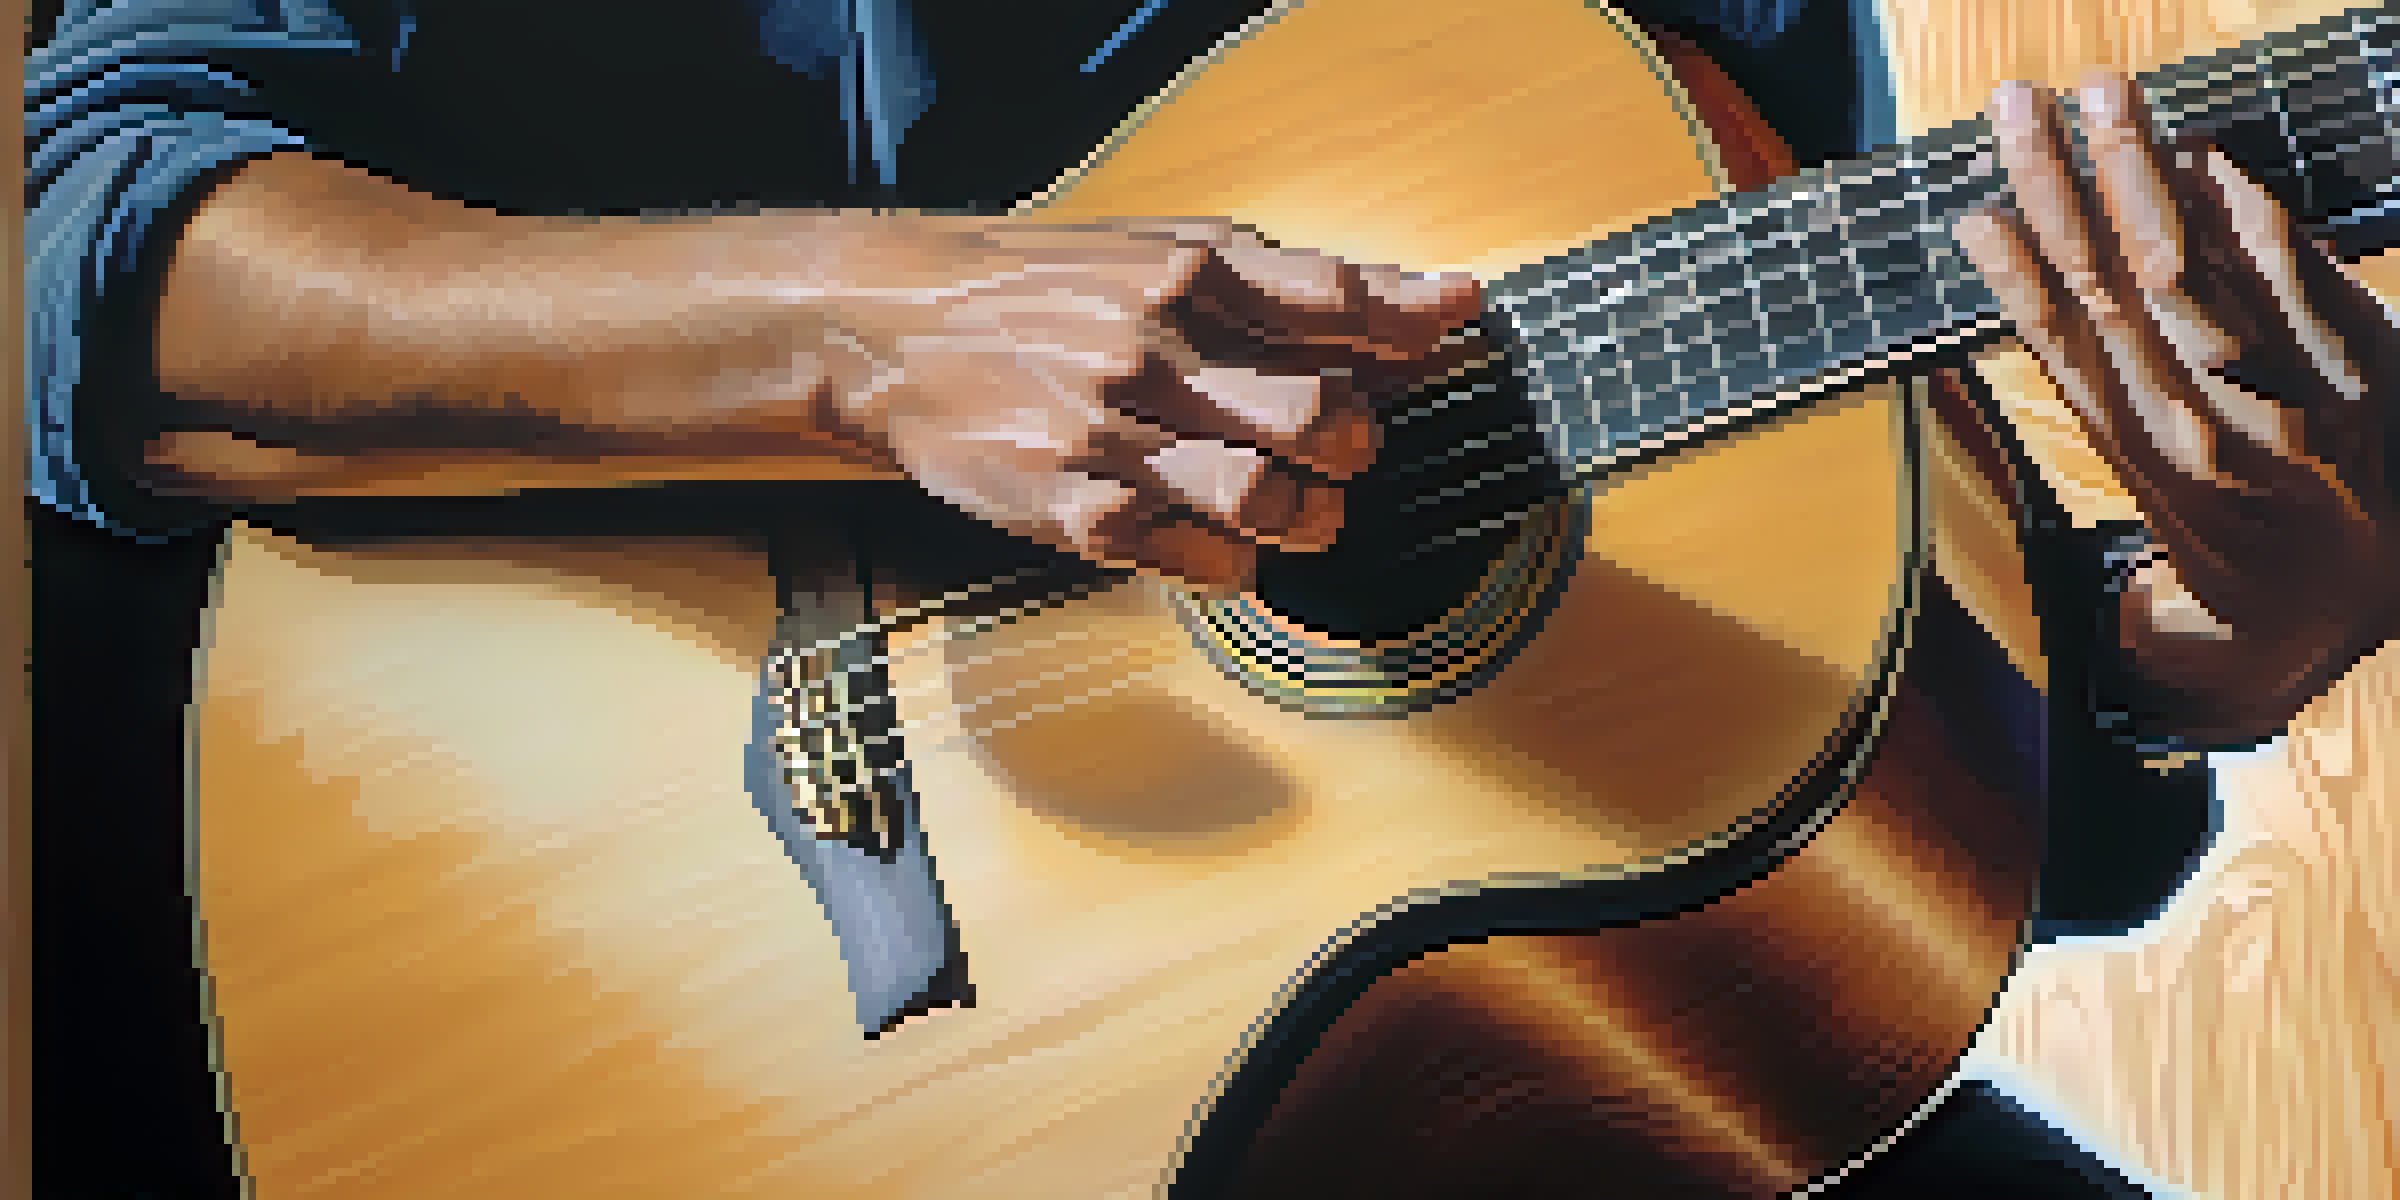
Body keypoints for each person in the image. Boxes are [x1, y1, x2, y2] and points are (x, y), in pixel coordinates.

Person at [25, 0, 2398, 1196]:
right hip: (596, 956)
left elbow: (1793, 700)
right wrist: (865, 336)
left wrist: (2177, 653)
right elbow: (106, 255)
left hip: (1395, 1082)